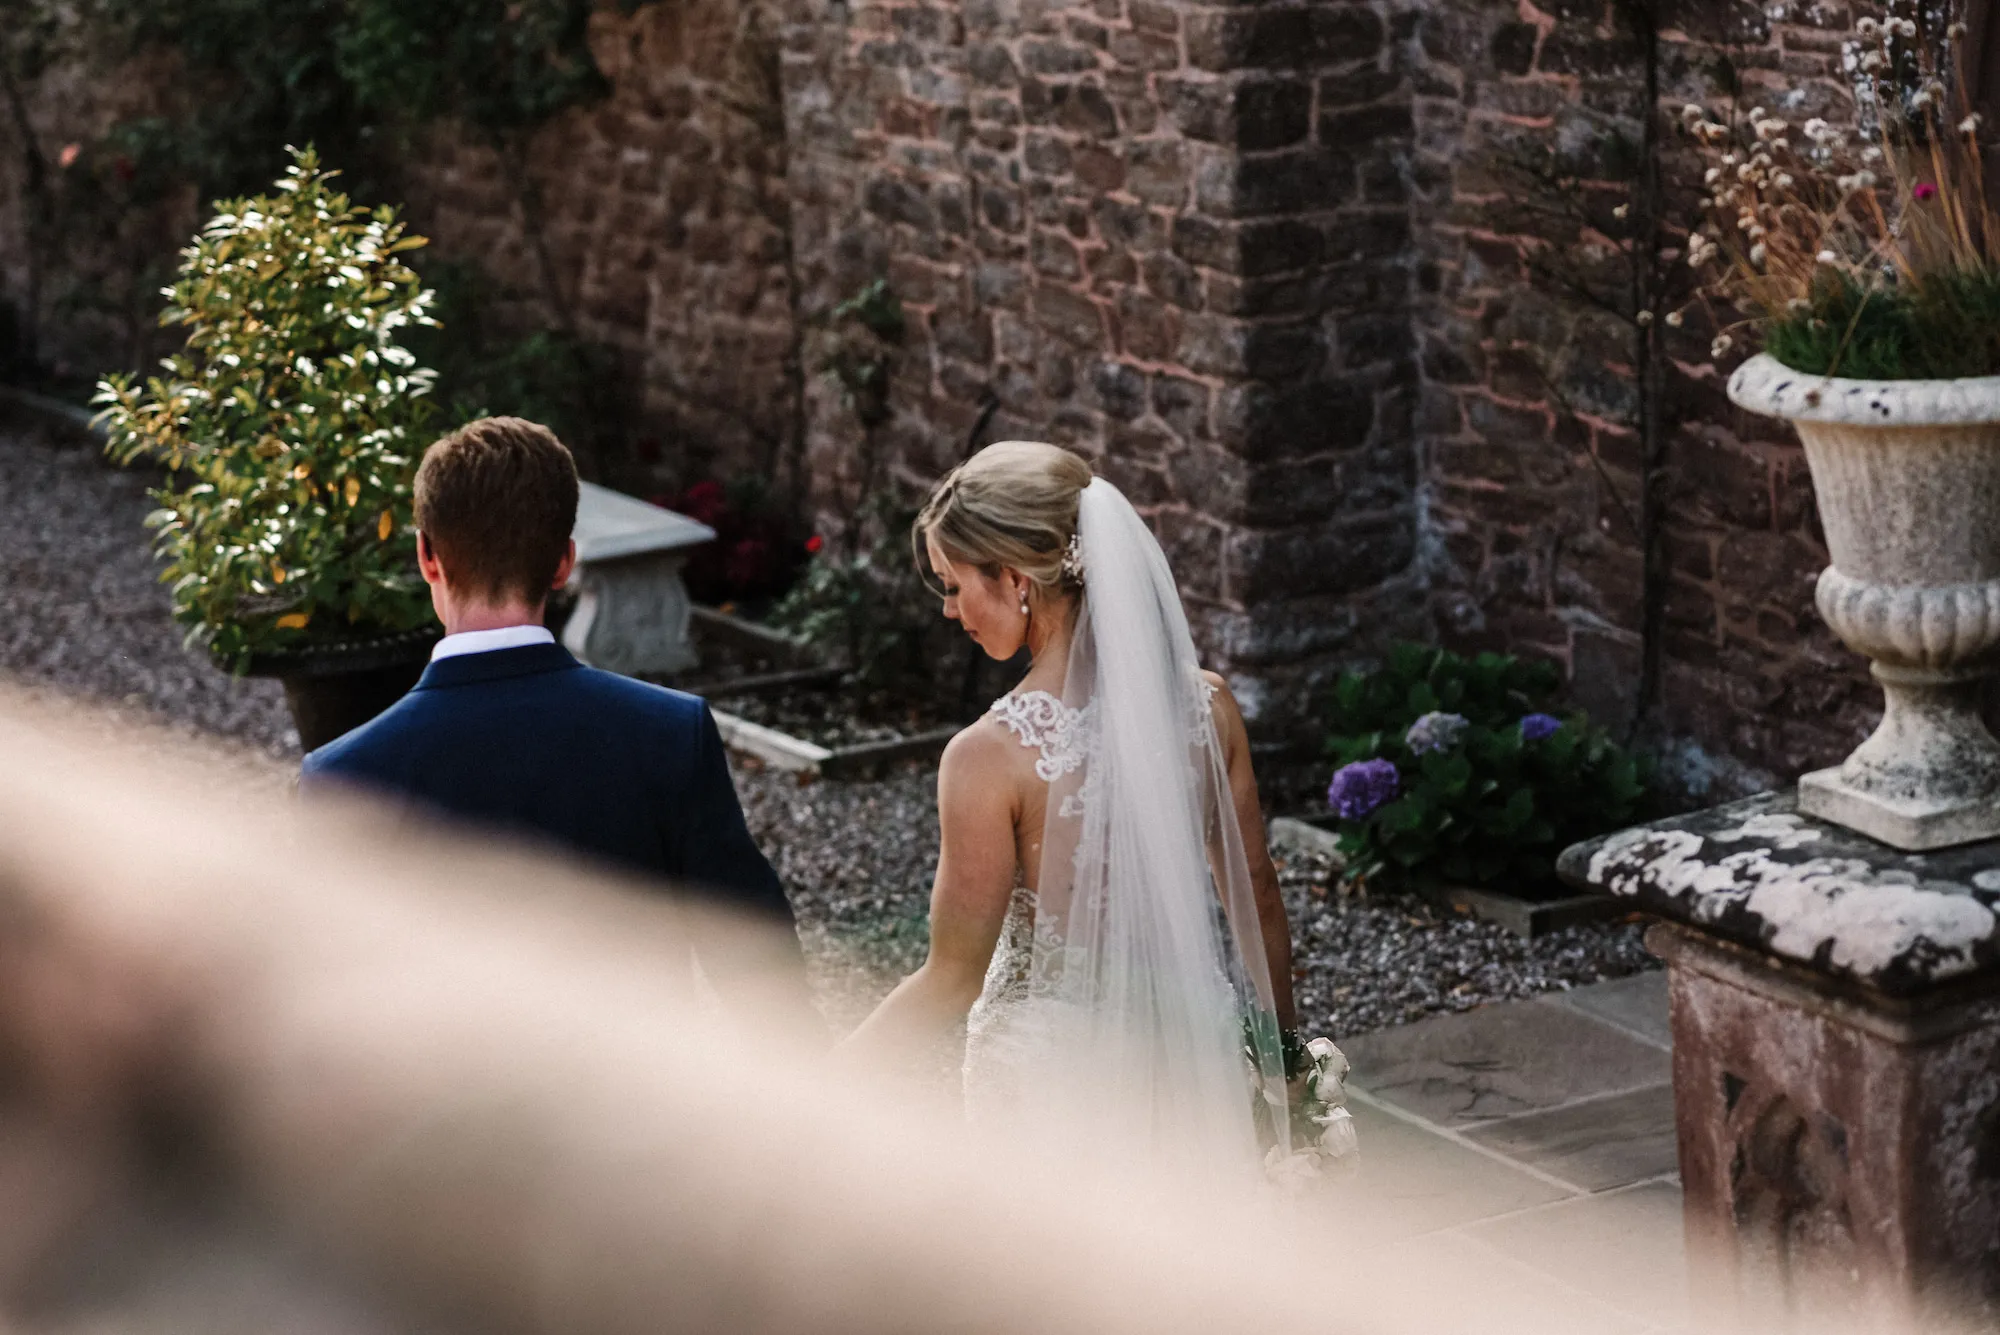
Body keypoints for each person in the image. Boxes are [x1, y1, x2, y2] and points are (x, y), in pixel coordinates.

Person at [844, 441, 1348, 1179]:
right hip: (1190, 1053)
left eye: (955, 586)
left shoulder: (989, 756)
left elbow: (951, 976)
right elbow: (1257, 892)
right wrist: (1283, 1060)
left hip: (1054, 1080)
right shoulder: (1206, 706)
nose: (951, 611)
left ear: (1017, 579)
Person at [300, 417, 803, 984]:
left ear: (427, 557)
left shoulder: (341, 776)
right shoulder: (668, 734)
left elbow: (321, 1006)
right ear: (565, 561)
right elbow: (763, 978)